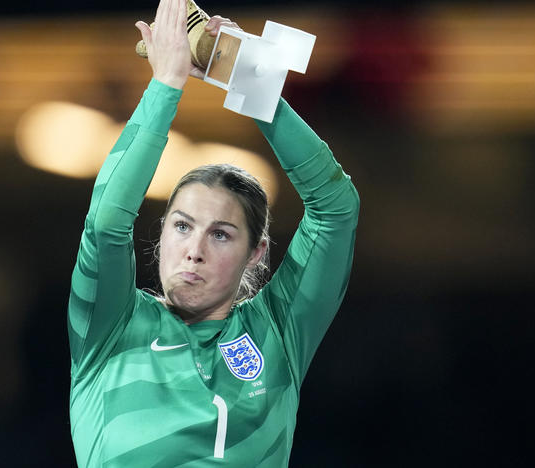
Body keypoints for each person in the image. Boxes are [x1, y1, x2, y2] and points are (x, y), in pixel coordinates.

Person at [67, 0, 359, 466]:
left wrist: (250, 79)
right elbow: (106, 224)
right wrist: (165, 86)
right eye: (182, 227)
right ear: (162, 236)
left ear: (256, 253)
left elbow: (336, 208)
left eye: (221, 235)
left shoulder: (277, 331)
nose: (194, 251)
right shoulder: (110, 324)